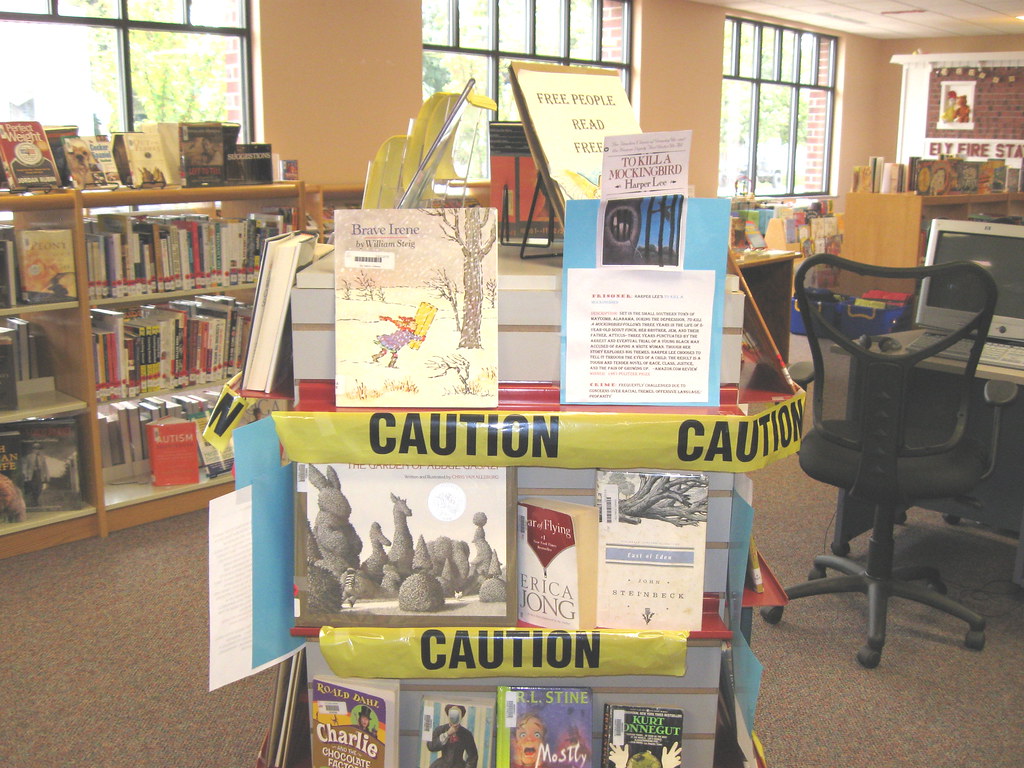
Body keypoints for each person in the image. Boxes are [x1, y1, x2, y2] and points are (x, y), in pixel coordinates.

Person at [427, 703, 478, 768]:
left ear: (461, 716)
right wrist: (447, 734)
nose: (454, 718)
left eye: (457, 715)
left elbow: (473, 756)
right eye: (452, 715)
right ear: (448, 715)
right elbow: (431, 746)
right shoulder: (440, 730)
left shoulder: (466, 734)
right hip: (441, 765)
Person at [20, 442, 48, 508]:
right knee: (33, 488)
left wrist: (45, 476)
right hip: (32, 475)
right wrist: (26, 475)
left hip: (39, 474)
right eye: (35, 449)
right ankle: (34, 502)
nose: (37, 450)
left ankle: (36, 500)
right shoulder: (29, 457)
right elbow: (26, 467)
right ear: (33, 449)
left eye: (38, 449)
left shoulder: (42, 457)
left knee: (39, 488)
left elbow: (45, 467)